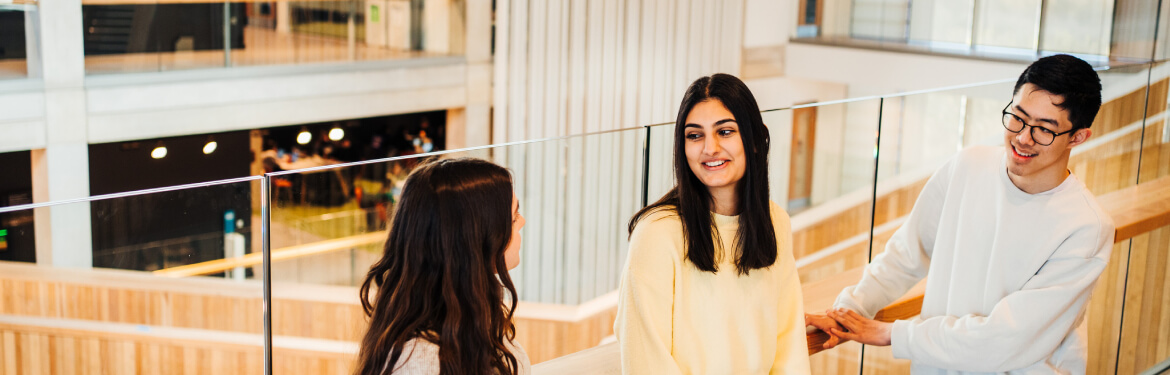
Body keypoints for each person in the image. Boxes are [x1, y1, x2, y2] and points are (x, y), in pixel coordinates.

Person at [806, 54, 1114, 374]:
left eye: (1044, 130)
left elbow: (1006, 340)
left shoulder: (1086, 227)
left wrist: (891, 333)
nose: (1023, 137)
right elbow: (907, 255)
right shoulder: (968, 166)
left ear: (1078, 137)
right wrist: (848, 309)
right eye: (1018, 118)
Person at [614, 73, 811, 374]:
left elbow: (790, 347)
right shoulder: (657, 233)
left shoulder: (776, 222)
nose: (710, 148)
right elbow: (646, 363)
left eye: (725, 132)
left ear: (755, 141)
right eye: (695, 135)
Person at [353, 158, 531, 375]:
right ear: (471, 239)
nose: (522, 221)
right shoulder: (421, 362)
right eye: (513, 218)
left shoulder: (469, 318)